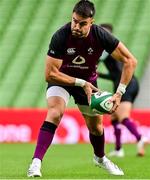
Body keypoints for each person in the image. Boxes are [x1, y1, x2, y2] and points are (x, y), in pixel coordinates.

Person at [27, 0, 137, 177]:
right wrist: (80, 82)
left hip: (88, 82)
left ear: (91, 22)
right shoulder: (61, 36)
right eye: (74, 21)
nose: (76, 26)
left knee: (96, 128)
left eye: (82, 23)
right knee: (55, 112)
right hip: (62, 79)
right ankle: (36, 162)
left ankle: (100, 158)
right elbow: (49, 74)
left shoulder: (101, 35)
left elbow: (130, 61)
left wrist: (119, 93)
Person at [98, 23, 147, 157]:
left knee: (122, 116)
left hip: (126, 84)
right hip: (126, 83)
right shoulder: (114, 48)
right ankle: (119, 149)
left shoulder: (107, 50)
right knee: (114, 117)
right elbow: (116, 74)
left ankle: (140, 138)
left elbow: (120, 72)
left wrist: (99, 73)